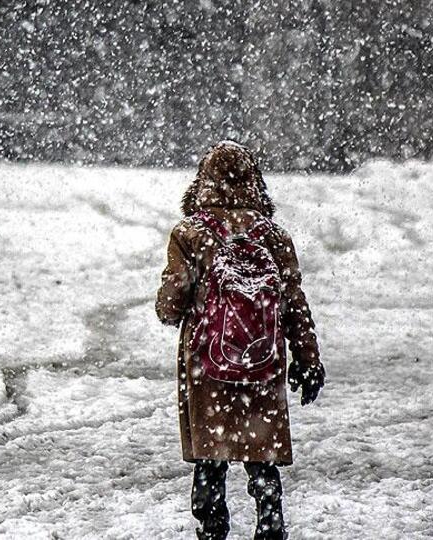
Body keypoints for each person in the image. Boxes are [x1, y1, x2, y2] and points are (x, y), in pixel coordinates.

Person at [156, 141, 324, 540]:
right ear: (255, 183)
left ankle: (212, 527)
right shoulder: (274, 237)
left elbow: (170, 304)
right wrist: (308, 358)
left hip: (207, 363)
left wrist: (176, 304)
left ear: (202, 182)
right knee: (259, 452)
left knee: (210, 455)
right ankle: (270, 522)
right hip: (262, 366)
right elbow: (294, 304)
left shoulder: (190, 234)